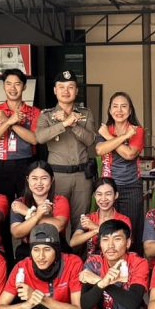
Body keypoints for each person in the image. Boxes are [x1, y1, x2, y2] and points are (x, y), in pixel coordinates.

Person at [0, 68, 41, 259]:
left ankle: (29, 256)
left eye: (17, 84)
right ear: (4, 86)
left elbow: (34, 139)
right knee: (3, 214)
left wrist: (11, 122)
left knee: (29, 210)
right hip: (2, 167)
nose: (12, 88)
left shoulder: (33, 112)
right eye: (8, 84)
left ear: (24, 87)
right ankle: (5, 260)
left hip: (27, 166)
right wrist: (7, 123)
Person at [35, 70, 97, 234]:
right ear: (55, 90)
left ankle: (79, 251)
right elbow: (40, 138)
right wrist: (62, 124)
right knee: (56, 221)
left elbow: (90, 140)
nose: (66, 91)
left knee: (81, 222)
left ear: (76, 91)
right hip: (57, 176)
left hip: (82, 176)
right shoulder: (46, 115)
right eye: (61, 87)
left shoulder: (85, 114)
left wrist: (72, 124)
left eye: (70, 87)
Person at [96, 90, 145, 247]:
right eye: (115, 106)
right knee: (110, 229)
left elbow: (130, 154)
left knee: (132, 229)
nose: (119, 110)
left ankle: (134, 260)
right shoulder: (105, 129)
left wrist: (109, 138)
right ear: (110, 110)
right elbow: (100, 150)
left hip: (132, 187)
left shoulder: (137, 130)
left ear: (130, 111)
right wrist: (124, 138)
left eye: (123, 106)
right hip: (108, 187)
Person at [10, 160, 71, 261]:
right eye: (34, 178)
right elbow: (16, 233)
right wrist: (38, 215)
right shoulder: (19, 203)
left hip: (56, 246)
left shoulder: (60, 200)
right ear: (27, 179)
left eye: (44, 178)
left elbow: (59, 226)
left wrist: (28, 212)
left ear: (52, 180)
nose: (39, 183)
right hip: (28, 248)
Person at [69, 177, 131, 258]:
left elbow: (127, 246)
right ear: (94, 196)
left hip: (116, 261)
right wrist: (96, 230)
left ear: (116, 195)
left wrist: (94, 227)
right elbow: (73, 242)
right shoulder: (89, 218)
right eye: (99, 194)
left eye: (108, 194)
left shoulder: (124, 220)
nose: (103, 199)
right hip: (92, 263)